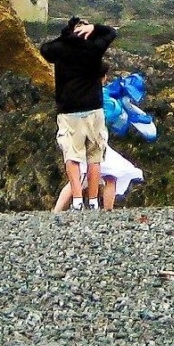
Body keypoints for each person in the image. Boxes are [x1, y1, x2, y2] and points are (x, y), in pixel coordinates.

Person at [40, 17, 117, 212]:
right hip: (94, 108)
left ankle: (76, 200)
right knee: (94, 157)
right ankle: (92, 201)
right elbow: (111, 32)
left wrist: (67, 35)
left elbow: (45, 49)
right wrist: (94, 28)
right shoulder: (94, 47)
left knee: (72, 157)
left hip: (69, 110)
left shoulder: (60, 48)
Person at [53, 142, 143, 213]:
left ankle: (57, 211)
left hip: (77, 137)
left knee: (78, 177)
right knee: (111, 176)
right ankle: (108, 210)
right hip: (93, 138)